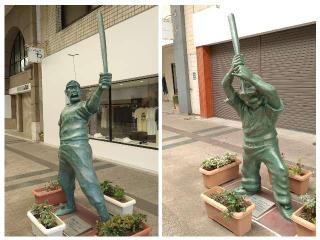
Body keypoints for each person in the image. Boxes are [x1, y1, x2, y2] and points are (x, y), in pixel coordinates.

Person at [221, 54, 293, 220]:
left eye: (252, 95)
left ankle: (284, 205)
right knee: (248, 171)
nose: (248, 99)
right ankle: (250, 187)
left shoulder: (270, 110)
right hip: (249, 146)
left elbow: (273, 92)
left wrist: (251, 77)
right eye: (244, 96)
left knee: (280, 170)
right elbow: (225, 85)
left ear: (261, 94)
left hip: (268, 146)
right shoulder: (242, 107)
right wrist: (232, 69)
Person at [56, 73, 111, 221]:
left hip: (79, 147)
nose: (73, 90)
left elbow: (92, 106)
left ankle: (105, 217)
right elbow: (61, 128)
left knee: (88, 182)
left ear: (80, 91)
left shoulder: (82, 106)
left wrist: (100, 88)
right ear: (66, 93)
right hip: (64, 149)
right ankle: (71, 205)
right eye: (70, 88)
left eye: (76, 88)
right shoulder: (64, 110)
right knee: (64, 179)